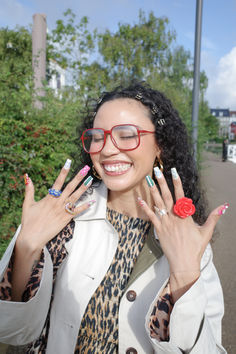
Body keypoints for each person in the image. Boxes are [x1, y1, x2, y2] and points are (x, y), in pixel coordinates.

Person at [0, 82, 228, 353]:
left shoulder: (190, 242)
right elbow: (12, 332)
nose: (106, 149)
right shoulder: (59, 217)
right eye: (98, 136)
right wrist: (26, 249)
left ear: (160, 146)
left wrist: (185, 276)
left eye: (126, 134)